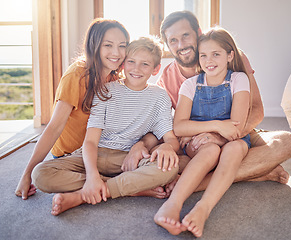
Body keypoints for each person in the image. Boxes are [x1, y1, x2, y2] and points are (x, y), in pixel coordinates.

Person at [31, 37, 180, 216]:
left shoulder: (160, 97)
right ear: (123, 64)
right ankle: (129, 187)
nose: (136, 69)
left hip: (127, 160)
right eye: (131, 62)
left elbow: (171, 138)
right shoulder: (106, 90)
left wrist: (166, 146)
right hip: (97, 153)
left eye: (145, 64)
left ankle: (83, 195)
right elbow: (91, 142)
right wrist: (92, 175)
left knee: (170, 168)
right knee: (40, 174)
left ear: (156, 69)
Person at [155, 11, 291, 191]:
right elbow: (164, 123)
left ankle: (198, 183)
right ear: (167, 45)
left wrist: (222, 137)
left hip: (239, 129)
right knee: (170, 162)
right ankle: (258, 172)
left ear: (198, 33)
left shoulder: (232, 57)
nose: (181, 45)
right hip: (198, 141)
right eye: (173, 40)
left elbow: (256, 109)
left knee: (287, 142)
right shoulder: (167, 78)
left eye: (185, 35)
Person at [15, 18, 134, 200]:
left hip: (100, 152)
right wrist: (26, 173)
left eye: (122, 46)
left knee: (154, 162)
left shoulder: (116, 78)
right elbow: (54, 128)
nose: (116, 53)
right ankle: (120, 185)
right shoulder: (76, 75)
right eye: (108, 45)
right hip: (70, 157)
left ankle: (102, 184)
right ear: (94, 46)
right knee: (41, 176)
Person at [155, 27, 251, 237]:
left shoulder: (239, 79)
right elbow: (179, 126)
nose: (209, 60)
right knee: (209, 151)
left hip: (232, 139)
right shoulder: (190, 85)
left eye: (216, 54)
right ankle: (173, 204)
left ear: (230, 55)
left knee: (234, 148)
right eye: (204, 55)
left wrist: (220, 133)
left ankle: (203, 208)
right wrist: (216, 125)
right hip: (199, 143)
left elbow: (236, 127)